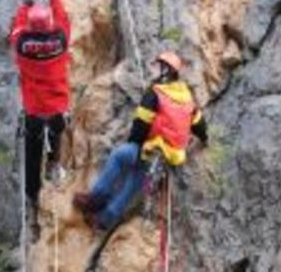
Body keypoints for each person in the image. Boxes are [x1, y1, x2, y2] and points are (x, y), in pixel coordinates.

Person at [73, 51, 208, 230]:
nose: (154, 69)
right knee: (132, 185)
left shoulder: (155, 93)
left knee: (119, 156)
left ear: (165, 71)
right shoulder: (186, 97)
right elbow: (199, 124)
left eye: (158, 66)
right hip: (167, 159)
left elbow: (141, 123)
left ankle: (96, 199)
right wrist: (204, 138)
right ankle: (104, 221)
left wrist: (135, 143)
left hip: (150, 149)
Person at [9, 0, 72, 240]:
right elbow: (65, 21)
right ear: (49, 24)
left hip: (34, 111)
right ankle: (54, 164)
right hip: (56, 108)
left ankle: (32, 197)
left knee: (31, 156)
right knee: (56, 135)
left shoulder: (23, 44)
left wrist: (27, 2)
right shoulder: (59, 39)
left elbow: (15, 30)